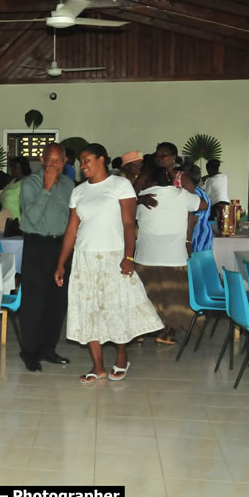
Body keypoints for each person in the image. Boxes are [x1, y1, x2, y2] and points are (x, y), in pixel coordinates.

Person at [55, 144, 162, 383]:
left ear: (102, 159)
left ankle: (122, 357)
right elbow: (72, 230)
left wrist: (129, 257)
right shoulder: (79, 191)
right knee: (88, 310)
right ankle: (98, 366)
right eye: (81, 161)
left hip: (114, 256)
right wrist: (62, 263)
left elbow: (128, 225)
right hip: (85, 258)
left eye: (87, 160)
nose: (83, 165)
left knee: (117, 308)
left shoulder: (120, 185)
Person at [16, 142, 74, 371]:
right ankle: (29, 351)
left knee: (57, 301)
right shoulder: (30, 183)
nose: (54, 165)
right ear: (42, 159)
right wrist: (47, 189)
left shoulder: (70, 184)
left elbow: (74, 218)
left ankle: (48, 348)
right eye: (49, 160)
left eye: (58, 160)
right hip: (37, 244)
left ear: (65, 161)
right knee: (34, 300)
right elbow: (29, 218)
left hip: (62, 246)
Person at [134, 166, 208, 345]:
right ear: (168, 178)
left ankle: (140, 332)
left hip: (145, 255)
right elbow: (204, 205)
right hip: (173, 255)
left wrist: (139, 198)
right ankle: (165, 332)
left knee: (147, 296)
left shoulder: (142, 199)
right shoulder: (180, 194)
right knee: (172, 299)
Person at [185, 164, 214, 252]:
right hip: (205, 230)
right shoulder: (202, 192)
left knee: (195, 261)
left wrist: (187, 241)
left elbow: (193, 218)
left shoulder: (193, 194)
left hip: (196, 232)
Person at [0, 156, 31, 221]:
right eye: (12, 167)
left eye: (15, 167)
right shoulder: (13, 180)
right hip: (6, 221)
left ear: (23, 168)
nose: (12, 169)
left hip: (17, 223)